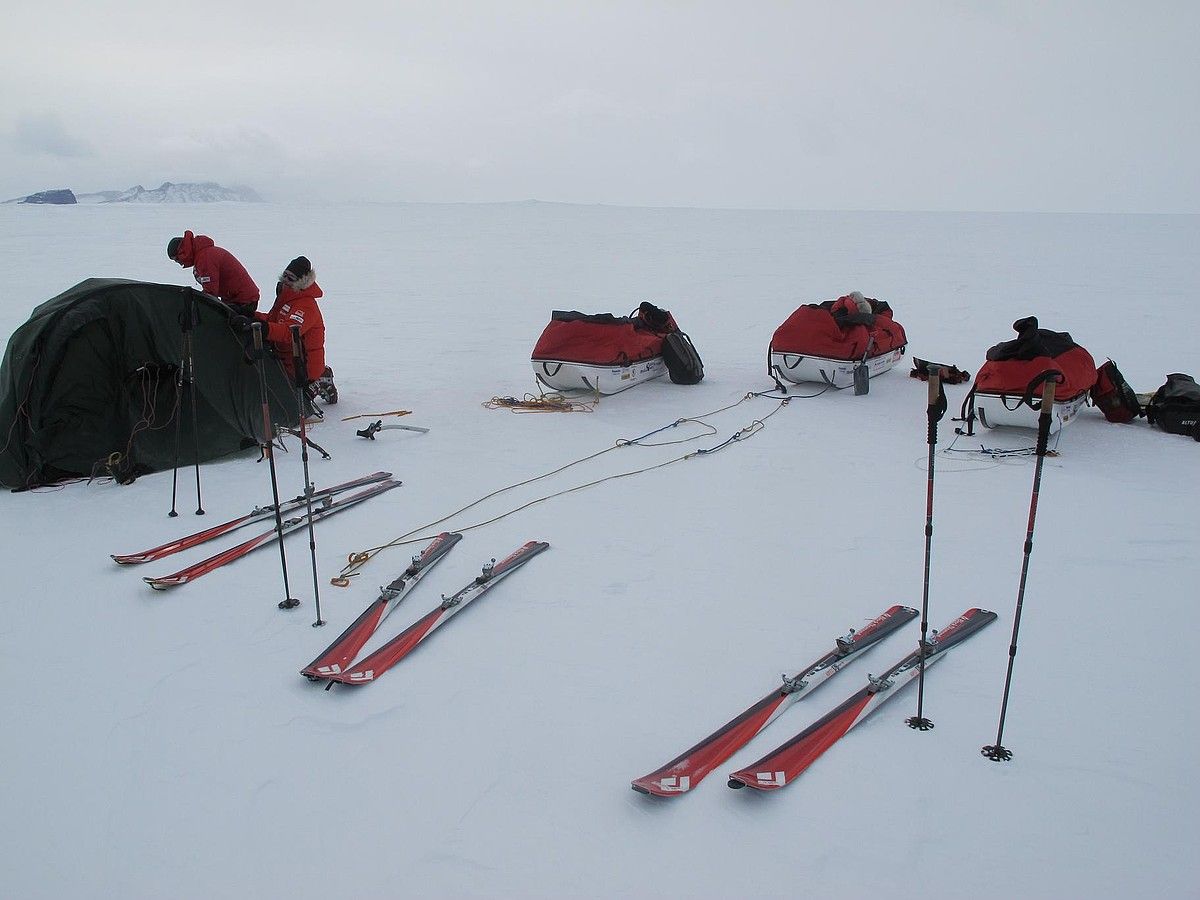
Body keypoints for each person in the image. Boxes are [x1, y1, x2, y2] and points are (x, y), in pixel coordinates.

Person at [240, 256, 337, 407]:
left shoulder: (306, 305)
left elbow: (289, 332)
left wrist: (263, 327)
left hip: (303, 368)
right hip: (285, 361)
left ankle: (320, 378)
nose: (285, 280)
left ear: (301, 281)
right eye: (284, 275)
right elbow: (274, 320)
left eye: (290, 278)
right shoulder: (287, 297)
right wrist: (252, 315)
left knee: (289, 407)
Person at [167, 231, 260, 315]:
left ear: (182, 252)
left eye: (177, 259)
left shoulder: (205, 258)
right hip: (235, 298)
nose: (179, 263)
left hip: (243, 300)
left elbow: (210, 293)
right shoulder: (203, 254)